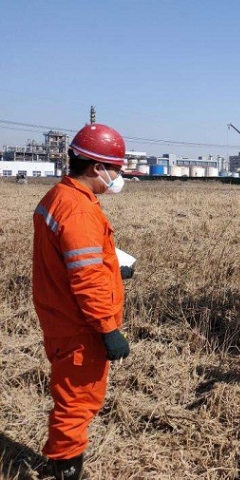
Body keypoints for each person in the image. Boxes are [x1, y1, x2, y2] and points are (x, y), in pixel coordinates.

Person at [32, 123, 131, 480]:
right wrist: (108, 329)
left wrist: (114, 269)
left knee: (70, 399)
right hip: (79, 328)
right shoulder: (79, 211)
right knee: (77, 403)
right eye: (116, 169)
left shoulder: (59, 197)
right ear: (96, 168)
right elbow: (86, 279)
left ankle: (60, 462)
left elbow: (75, 261)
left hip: (61, 316)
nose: (117, 177)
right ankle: (66, 470)